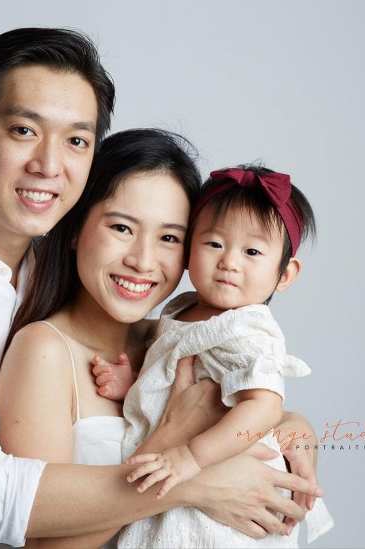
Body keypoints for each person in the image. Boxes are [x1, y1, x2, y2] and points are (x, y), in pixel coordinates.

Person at [0, 27, 320, 549]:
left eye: (76, 140)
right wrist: (191, 472)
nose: (49, 165)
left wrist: (285, 423)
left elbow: (224, 400)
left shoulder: (65, 284)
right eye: (24, 131)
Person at [0, 133, 324, 548]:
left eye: (169, 237)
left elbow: (251, 405)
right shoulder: (44, 351)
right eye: (121, 227)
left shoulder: (174, 340)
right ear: (75, 226)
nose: (143, 260)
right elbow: (41, 546)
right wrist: (181, 461)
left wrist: (295, 430)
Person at [105, 166, 334, 548]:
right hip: (184, 481)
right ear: (189, 247)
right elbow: (182, 382)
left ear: (285, 274)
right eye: (214, 244)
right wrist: (135, 386)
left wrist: (191, 458)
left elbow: (263, 408)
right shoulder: (182, 310)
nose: (230, 261)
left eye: (252, 252)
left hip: (222, 482)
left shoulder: (248, 330)